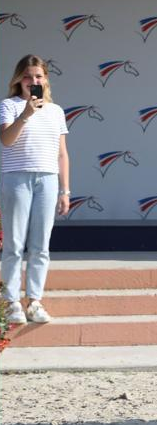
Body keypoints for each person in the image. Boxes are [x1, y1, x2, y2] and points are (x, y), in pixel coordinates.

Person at [1, 55, 70, 324]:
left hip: (48, 180)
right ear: (19, 79)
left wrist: (65, 190)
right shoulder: (8, 105)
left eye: (39, 76)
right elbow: (7, 140)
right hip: (16, 178)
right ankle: (11, 301)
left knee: (40, 246)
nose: (34, 81)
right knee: (14, 244)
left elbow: (62, 154)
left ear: (46, 79)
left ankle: (34, 300)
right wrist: (27, 113)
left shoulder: (56, 111)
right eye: (28, 77)